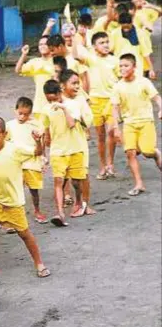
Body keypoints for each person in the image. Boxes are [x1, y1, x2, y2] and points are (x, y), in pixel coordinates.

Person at [0, 116, 50, 279]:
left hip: (12, 203)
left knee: (24, 234)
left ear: (5, 134)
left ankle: (39, 263)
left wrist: (38, 142)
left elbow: (37, 152)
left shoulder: (15, 149)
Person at [111, 53, 162, 196]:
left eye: (126, 65)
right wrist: (116, 128)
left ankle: (156, 153)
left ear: (134, 67)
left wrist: (160, 109)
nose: (122, 68)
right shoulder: (118, 86)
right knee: (130, 153)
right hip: (129, 124)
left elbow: (156, 97)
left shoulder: (143, 82)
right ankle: (139, 183)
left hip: (146, 121)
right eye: (120, 66)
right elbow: (114, 108)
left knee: (147, 151)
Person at [73, 31, 120, 179]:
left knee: (111, 132)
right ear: (94, 46)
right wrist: (75, 36)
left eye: (107, 42)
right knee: (100, 136)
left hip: (111, 101)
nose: (106, 45)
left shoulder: (115, 60)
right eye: (102, 43)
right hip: (95, 101)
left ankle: (110, 164)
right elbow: (75, 55)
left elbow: (120, 80)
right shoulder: (91, 59)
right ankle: (102, 166)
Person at [41, 79, 86, 226]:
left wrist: (63, 107)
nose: (52, 102)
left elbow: (72, 124)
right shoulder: (46, 109)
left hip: (75, 149)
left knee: (76, 182)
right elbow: (45, 128)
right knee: (58, 181)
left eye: (54, 98)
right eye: (49, 100)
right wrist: (43, 142)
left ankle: (79, 202)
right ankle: (60, 213)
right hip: (58, 151)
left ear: (60, 93)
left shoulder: (73, 105)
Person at [59, 70, 96, 216]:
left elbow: (88, 120)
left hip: (78, 142)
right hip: (62, 143)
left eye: (78, 83)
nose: (77, 86)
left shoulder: (80, 100)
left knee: (82, 174)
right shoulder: (58, 100)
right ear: (62, 85)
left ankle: (84, 203)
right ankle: (62, 204)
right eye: (73, 83)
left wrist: (79, 118)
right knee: (63, 175)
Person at [6, 97, 48, 224]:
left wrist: (43, 158)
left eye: (25, 114)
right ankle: (13, 217)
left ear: (30, 113)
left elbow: (42, 142)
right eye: (20, 113)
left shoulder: (36, 125)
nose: (22, 117)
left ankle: (37, 210)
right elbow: (6, 142)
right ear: (15, 111)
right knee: (15, 190)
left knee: (34, 189)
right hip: (16, 162)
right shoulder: (9, 125)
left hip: (32, 161)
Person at [15, 39, 54, 120]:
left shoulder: (57, 61)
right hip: (39, 103)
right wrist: (24, 54)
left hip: (54, 102)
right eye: (40, 44)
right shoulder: (35, 62)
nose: (42, 46)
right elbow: (18, 70)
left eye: (45, 44)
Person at [110, 12, 156, 79]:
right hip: (120, 66)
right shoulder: (114, 33)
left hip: (136, 67)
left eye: (128, 27)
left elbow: (145, 53)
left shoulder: (140, 33)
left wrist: (151, 69)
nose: (126, 29)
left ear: (132, 23)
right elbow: (111, 50)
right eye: (124, 27)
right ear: (119, 24)